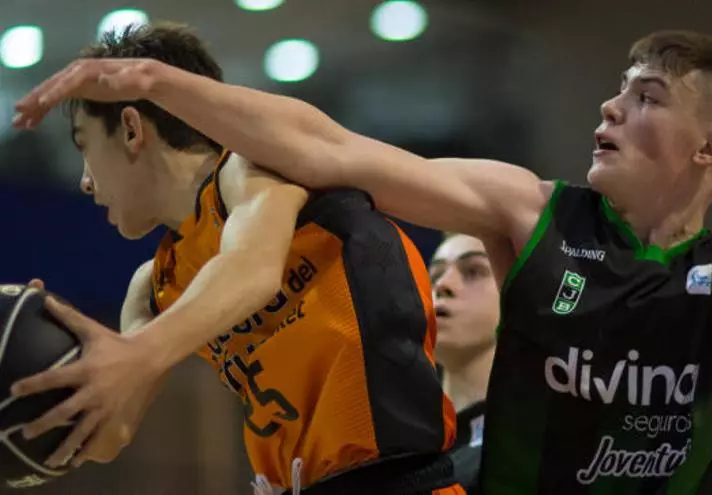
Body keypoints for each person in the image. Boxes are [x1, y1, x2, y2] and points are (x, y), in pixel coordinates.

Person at [13, 0, 712, 492]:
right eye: (618, 91)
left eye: (648, 98)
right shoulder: (535, 213)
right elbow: (332, 149)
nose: (611, 107)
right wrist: (154, 79)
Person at [9, 24, 464, 495]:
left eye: (84, 146)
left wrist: (138, 351)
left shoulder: (253, 168)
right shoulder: (153, 285)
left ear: (130, 129)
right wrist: (44, 365)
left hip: (395, 479)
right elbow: (111, 436)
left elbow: (253, 268)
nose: (84, 181)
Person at [430, 233, 499, 494]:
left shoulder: (534, 443)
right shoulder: (393, 440)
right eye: (434, 275)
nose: (442, 285)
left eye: (473, 271)